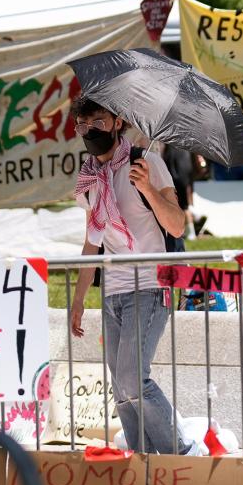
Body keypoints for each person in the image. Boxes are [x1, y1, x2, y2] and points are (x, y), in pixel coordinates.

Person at [67, 97, 200, 455]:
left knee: (132, 379)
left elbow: (175, 223)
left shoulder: (148, 163)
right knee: (121, 388)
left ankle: (183, 453)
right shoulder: (90, 178)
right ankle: (142, 462)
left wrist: (148, 190)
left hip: (151, 286)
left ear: (117, 121)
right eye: (83, 124)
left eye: (98, 120)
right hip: (113, 292)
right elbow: (92, 242)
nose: (91, 129)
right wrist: (79, 299)